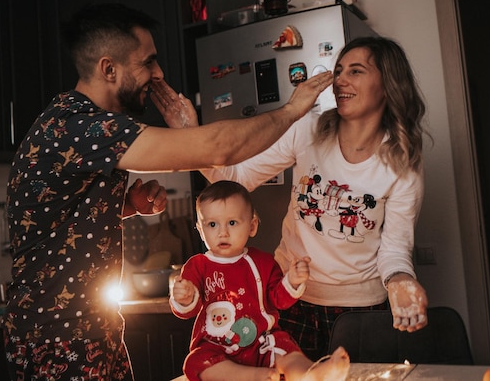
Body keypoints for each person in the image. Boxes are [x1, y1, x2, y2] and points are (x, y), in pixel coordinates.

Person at [3, 2, 333, 380]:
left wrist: (124, 206)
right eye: (148, 62)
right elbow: (219, 148)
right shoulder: (82, 126)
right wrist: (291, 111)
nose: (158, 73)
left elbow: (59, 213)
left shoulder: (76, 124)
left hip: (89, 328)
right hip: (59, 337)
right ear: (109, 69)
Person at [154, 36, 431, 361]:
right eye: (339, 70)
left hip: (361, 310)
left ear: (387, 85)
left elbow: (395, 249)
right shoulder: (308, 130)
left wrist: (400, 281)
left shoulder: (402, 163)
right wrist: (191, 135)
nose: (340, 79)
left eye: (356, 71)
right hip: (288, 298)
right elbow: (234, 177)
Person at [170, 180, 350, 381]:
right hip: (217, 347)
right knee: (196, 361)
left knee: (286, 350)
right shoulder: (197, 265)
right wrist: (185, 298)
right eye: (212, 224)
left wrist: (293, 280)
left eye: (232, 223)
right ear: (201, 230)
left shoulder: (263, 261)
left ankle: (313, 373)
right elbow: (187, 311)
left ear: (252, 226)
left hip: (262, 341)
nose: (223, 232)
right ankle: (254, 376)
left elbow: (278, 300)